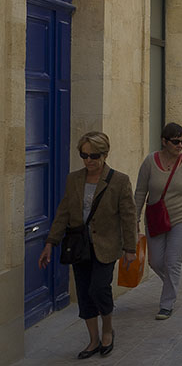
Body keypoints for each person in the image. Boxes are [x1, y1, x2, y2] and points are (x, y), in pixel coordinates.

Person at [38, 130, 136, 359]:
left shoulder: (119, 181)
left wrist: (130, 249)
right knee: (83, 292)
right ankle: (93, 339)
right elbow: (63, 212)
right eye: (84, 155)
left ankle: (108, 329)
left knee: (99, 288)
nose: (89, 161)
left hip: (107, 245)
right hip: (78, 245)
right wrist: (50, 243)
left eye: (94, 156)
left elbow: (129, 216)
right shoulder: (74, 179)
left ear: (105, 155)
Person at [134, 122, 182, 320]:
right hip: (155, 218)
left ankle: (167, 304)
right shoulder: (149, 162)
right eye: (175, 142)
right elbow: (140, 192)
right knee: (155, 261)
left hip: (181, 218)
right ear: (164, 142)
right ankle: (172, 284)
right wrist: (134, 219)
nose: (180, 145)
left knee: (173, 261)